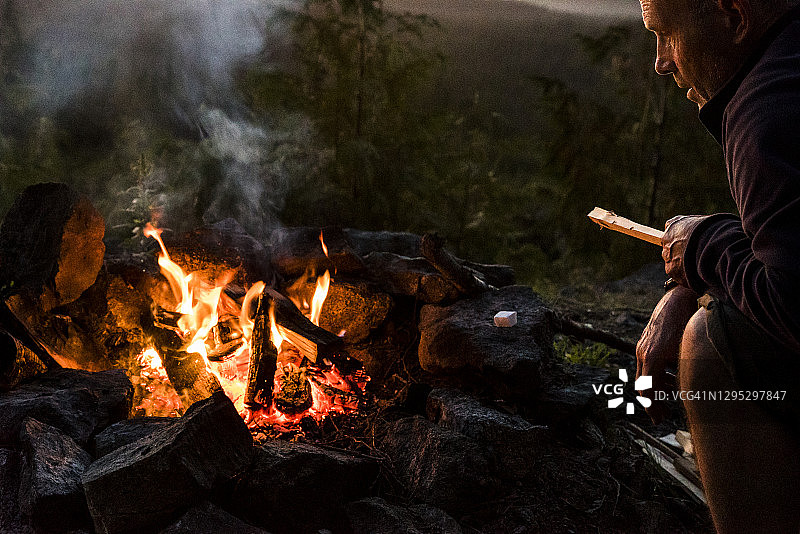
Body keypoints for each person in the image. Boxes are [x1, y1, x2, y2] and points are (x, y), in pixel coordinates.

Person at [634, 0, 800, 532]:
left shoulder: (767, 109)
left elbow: (794, 305)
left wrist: (704, 245)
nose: (661, 61)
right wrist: (693, 276)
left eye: (665, 34)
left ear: (733, 17)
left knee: (710, 343)